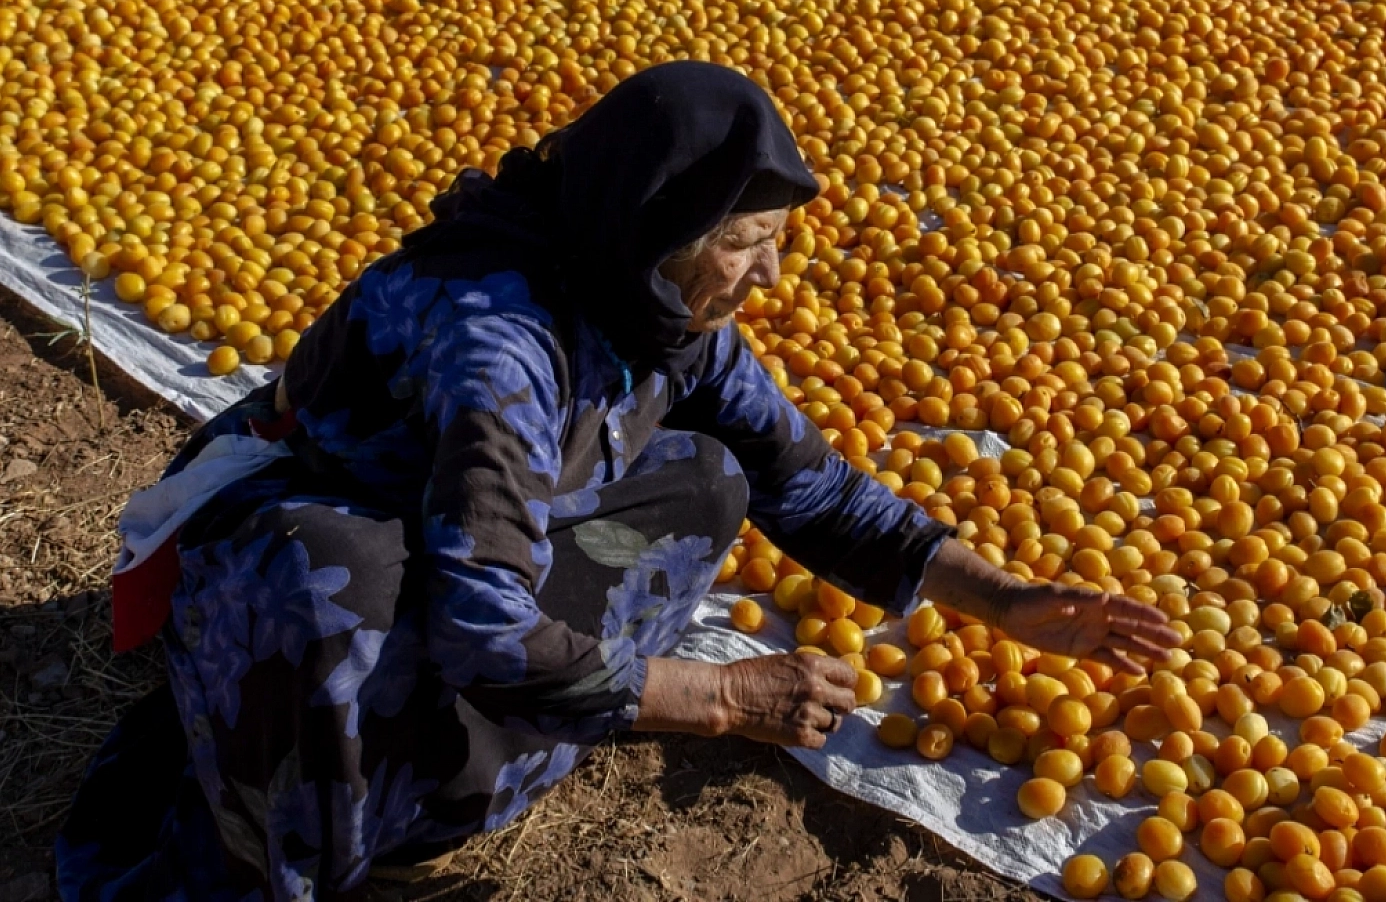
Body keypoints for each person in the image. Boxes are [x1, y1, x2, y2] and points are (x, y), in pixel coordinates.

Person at [56, 62, 1181, 901]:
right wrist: (725, 695)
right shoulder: (496, 340)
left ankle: (487, 746)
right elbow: (485, 624)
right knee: (336, 584)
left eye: (776, 241)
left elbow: (808, 479)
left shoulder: (658, 307)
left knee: (708, 476)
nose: (768, 275)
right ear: (661, 227)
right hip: (316, 534)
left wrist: (1005, 599)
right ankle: (341, 809)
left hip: (457, 529)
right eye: (744, 242)